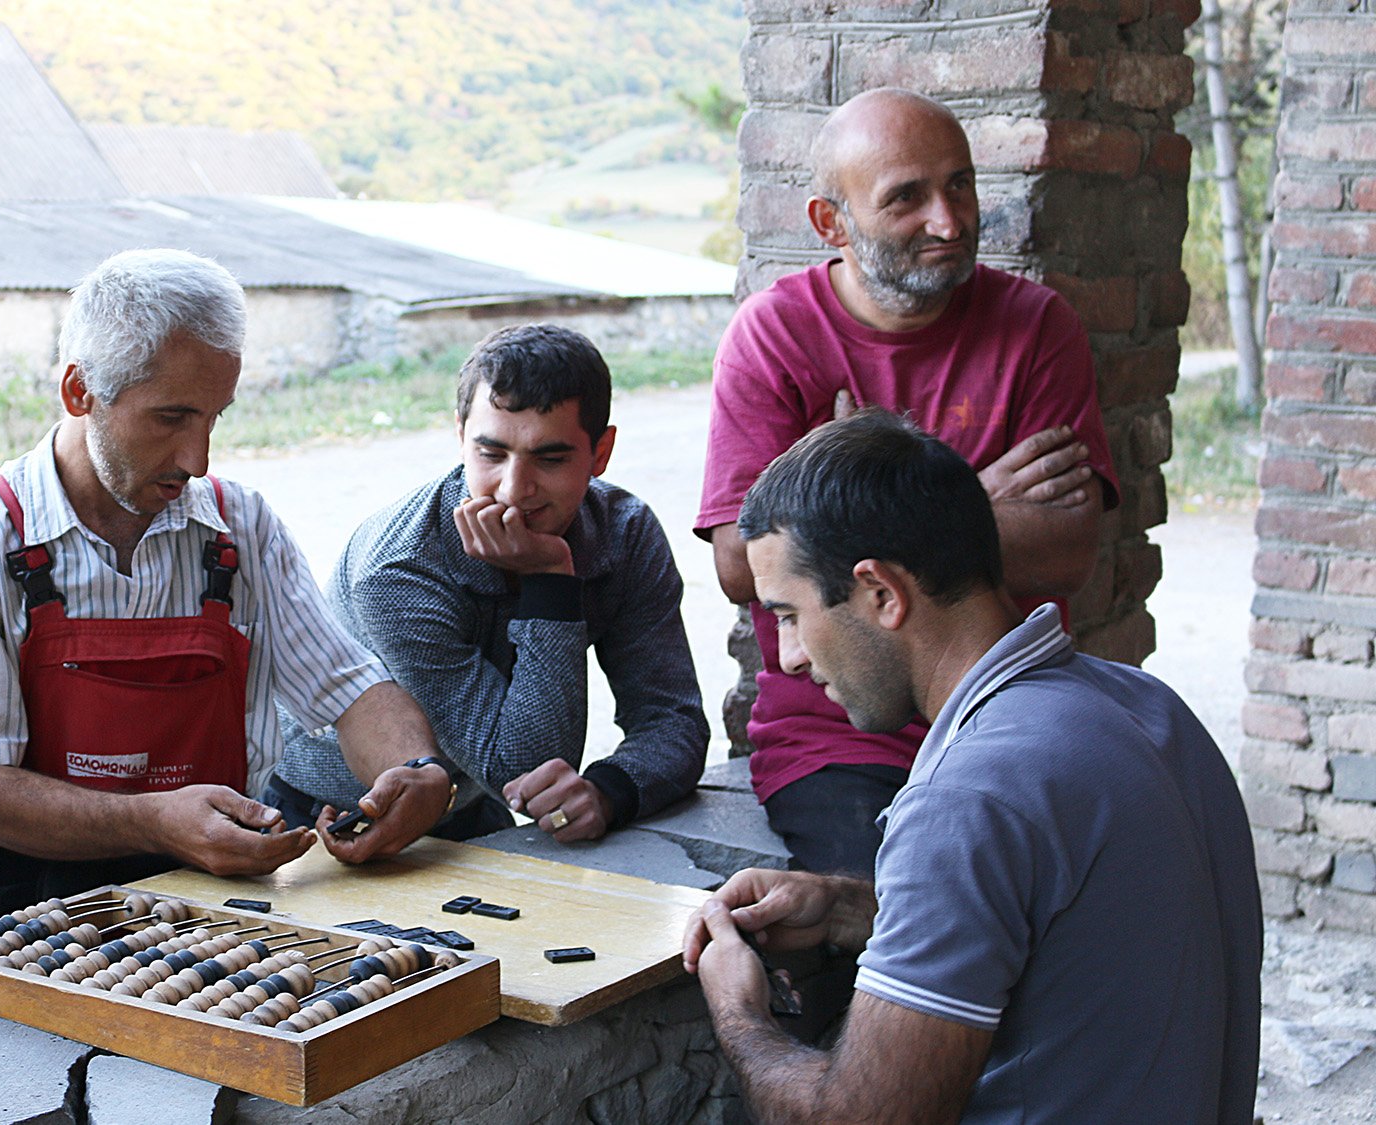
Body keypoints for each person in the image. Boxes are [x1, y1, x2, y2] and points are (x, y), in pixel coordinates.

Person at [683, 410, 1260, 1124]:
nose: (792, 655)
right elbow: (1060, 929)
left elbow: (860, 1119)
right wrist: (846, 905)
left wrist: (740, 1012)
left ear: (882, 594)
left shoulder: (970, 794)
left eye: (792, 614)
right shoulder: (1152, 709)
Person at [0, 248, 456, 937]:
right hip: (20, 916)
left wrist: (417, 770)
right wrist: (154, 820)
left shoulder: (240, 527)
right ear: (80, 392)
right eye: (171, 418)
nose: (198, 459)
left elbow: (349, 688)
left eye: (214, 416)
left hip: (206, 909)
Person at [696, 87, 1118, 878]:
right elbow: (736, 564)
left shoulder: (1037, 327)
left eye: (959, 184)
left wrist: (845, 505)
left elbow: (1065, 550)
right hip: (840, 739)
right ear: (832, 222)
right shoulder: (774, 337)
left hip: (1010, 711)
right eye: (906, 199)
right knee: (906, 913)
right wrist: (973, 506)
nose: (949, 221)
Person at [269, 324, 708, 842]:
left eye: (550, 458)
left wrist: (609, 790)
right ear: (460, 436)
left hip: (470, 809)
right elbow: (520, 767)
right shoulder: (398, 568)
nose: (514, 489)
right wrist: (549, 580)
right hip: (323, 818)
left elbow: (673, 718)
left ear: (601, 452)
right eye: (491, 454)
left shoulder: (625, 532)